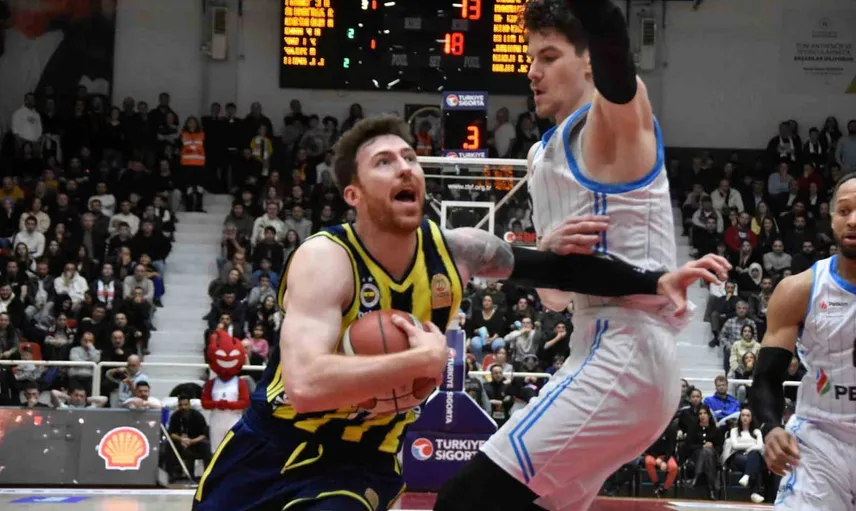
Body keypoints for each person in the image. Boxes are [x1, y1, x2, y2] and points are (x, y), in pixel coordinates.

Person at [192, 115, 728, 511]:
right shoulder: (326, 259)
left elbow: (562, 271)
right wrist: (418, 360)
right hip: (272, 446)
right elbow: (307, 384)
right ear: (352, 194)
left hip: (361, 463)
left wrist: (652, 281)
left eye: (410, 158)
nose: (405, 167)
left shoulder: (459, 251)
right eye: (384, 162)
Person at [436, 1, 710, 509]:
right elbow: (555, 298)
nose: (533, 73)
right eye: (530, 59)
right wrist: (544, 251)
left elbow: (611, 38)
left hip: (628, 351)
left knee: (463, 501)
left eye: (549, 57)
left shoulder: (613, 122)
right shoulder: (540, 156)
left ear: (588, 62)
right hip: (594, 346)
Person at [750, 173, 856, 510]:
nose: (853, 220)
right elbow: (766, 377)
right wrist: (771, 427)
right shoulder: (799, 290)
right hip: (820, 441)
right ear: (831, 217)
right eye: (844, 210)